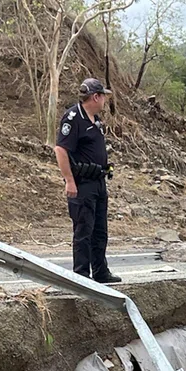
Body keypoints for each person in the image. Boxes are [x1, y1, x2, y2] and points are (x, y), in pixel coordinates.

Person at [53, 78, 121, 284]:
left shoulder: (96, 120)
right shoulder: (73, 118)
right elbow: (60, 150)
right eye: (103, 97)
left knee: (100, 230)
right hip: (82, 183)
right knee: (84, 230)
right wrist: (69, 181)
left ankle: (101, 272)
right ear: (95, 97)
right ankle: (81, 274)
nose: (104, 102)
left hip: (98, 182)